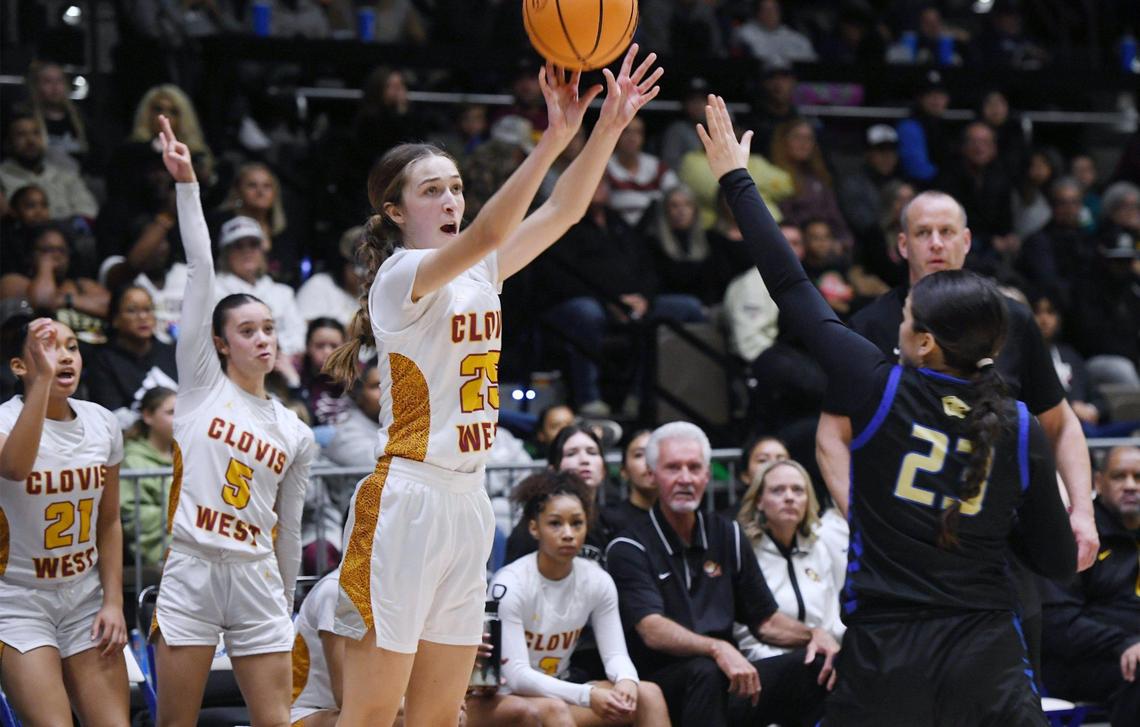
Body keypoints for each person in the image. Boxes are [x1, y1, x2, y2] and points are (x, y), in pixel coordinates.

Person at [697, 94, 1077, 723]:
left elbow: (791, 286)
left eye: (907, 315)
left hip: (885, 655)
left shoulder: (876, 385)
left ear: (923, 339)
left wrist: (737, 179)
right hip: (986, 654)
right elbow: (1058, 563)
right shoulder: (1018, 426)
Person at [319, 48, 663, 727]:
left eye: (455, 186)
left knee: (441, 712)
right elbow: (491, 229)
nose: (450, 198)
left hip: (468, 500)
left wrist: (607, 127)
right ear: (393, 210)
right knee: (371, 712)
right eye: (431, 190)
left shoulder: (479, 271)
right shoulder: (398, 276)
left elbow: (563, 209)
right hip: (407, 497)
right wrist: (552, 138)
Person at [150, 116, 317, 727]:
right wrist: (188, 185)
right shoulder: (199, 386)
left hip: (256, 578)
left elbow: (290, 532)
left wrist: (286, 597)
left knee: (276, 721)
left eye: (269, 329)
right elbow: (200, 268)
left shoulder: (295, 432)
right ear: (220, 344)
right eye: (247, 331)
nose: (263, 340)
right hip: (192, 565)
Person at [605, 422, 837, 727]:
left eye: (694, 467)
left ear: (706, 474)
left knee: (820, 663)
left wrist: (814, 635)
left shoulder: (727, 534)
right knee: (705, 670)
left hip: (727, 677)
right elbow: (652, 629)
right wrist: (717, 648)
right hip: (663, 685)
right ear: (653, 475)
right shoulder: (629, 546)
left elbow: (764, 620)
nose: (685, 478)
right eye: (673, 468)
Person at [0, 315, 129, 726]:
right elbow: (17, 468)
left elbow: (108, 523)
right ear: (19, 366)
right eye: (48, 347)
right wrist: (41, 383)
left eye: (71, 347)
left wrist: (113, 601)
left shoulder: (103, 423)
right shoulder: (2, 421)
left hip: (85, 598)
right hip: (17, 601)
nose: (65, 357)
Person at [483, 471, 671, 726]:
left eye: (577, 523)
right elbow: (517, 675)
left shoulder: (597, 579)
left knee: (648, 694)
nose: (568, 533)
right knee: (554, 710)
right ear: (534, 528)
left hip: (560, 691)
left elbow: (615, 654)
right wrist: (587, 694)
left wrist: (627, 679)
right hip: (508, 697)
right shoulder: (509, 583)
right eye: (556, 523)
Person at [1040, 445, 1140, 727]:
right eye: (1120, 476)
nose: (1131, 486)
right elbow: (1057, 621)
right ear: (1098, 482)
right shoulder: (1079, 534)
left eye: (1138, 477)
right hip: (1080, 661)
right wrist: (1126, 643)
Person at [733, 459, 845, 662]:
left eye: (798, 490)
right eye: (778, 490)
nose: (789, 498)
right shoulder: (743, 550)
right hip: (764, 662)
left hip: (820, 657)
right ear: (759, 500)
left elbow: (831, 621)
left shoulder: (818, 547)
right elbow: (746, 633)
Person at [507, 424, 613, 564]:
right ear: (553, 469)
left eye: (592, 452)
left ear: (604, 469)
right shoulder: (533, 526)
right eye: (571, 453)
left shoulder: (611, 523)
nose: (584, 460)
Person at [83, 285, 178, 424]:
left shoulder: (172, 352)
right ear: (115, 319)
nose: (143, 317)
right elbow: (113, 416)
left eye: (148, 309)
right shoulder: (103, 361)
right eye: (132, 310)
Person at [214, 215, 306, 356]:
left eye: (253, 244)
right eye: (238, 245)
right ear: (226, 253)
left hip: (281, 367)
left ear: (263, 251)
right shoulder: (212, 291)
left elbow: (299, 341)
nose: (247, 251)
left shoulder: (283, 293)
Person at [0, 110, 98, 220]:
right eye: (21, 135)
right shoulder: (2, 177)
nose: (31, 140)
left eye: (36, 133)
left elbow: (87, 208)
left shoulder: (64, 174)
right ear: (8, 143)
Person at [121, 386, 177, 569]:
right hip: (157, 551)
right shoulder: (131, 460)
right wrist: (182, 515)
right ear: (148, 416)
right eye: (171, 412)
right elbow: (132, 514)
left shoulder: (191, 454)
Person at [290, 567, 345, 727]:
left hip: (344, 712)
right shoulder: (335, 591)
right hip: (305, 714)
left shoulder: (397, 595)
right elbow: (347, 698)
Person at [604, 116, 678, 228]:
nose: (632, 138)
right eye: (626, 131)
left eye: (637, 132)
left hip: (654, 231)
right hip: (614, 231)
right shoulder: (604, 167)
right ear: (616, 133)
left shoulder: (657, 167)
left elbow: (676, 195)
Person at [602, 429, 655, 536]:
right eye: (639, 455)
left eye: (655, 453)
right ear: (623, 471)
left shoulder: (681, 517)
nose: (649, 461)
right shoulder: (607, 520)